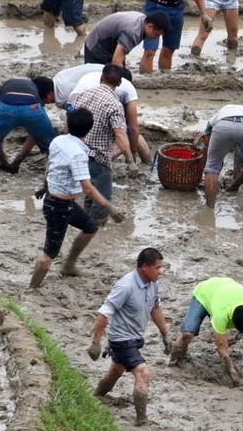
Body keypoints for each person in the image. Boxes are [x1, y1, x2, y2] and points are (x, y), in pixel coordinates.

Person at [29, 108, 126, 288]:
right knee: (49, 254)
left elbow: (50, 166)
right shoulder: (78, 154)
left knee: (90, 227)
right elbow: (88, 188)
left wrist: (44, 187)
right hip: (59, 206)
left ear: (67, 125)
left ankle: (69, 265)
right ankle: (32, 288)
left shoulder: (58, 141)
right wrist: (110, 207)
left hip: (60, 201)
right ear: (89, 130)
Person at [88, 248, 171, 426]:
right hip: (121, 339)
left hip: (135, 337)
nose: (161, 271)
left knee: (115, 372)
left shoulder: (153, 283)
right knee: (142, 373)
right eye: (157, 268)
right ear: (144, 267)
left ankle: (95, 397)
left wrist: (165, 334)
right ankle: (141, 419)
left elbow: (155, 308)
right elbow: (104, 314)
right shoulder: (125, 286)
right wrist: (96, 343)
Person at [66, 65, 136, 226]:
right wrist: (130, 161)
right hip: (98, 158)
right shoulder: (114, 104)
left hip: (78, 152)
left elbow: (69, 121)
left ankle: (85, 223)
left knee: (90, 192)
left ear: (101, 78)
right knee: (102, 199)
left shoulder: (82, 95)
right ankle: (96, 228)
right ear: (118, 84)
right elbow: (120, 134)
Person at [170, 277, 243, 387]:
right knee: (187, 334)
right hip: (205, 292)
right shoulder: (221, 315)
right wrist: (233, 375)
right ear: (232, 323)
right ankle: (175, 360)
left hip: (227, 287)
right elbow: (222, 348)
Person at [57, 63, 152, 163]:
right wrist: (132, 155)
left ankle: (76, 157)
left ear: (102, 76)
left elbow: (71, 113)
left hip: (76, 105)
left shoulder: (89, 76)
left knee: (83, 135)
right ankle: (147, 162)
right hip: (98, 104)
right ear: (120, 82)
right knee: (125, 134)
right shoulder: (128, 89)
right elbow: (133, 129)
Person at [0, 76, 57, 175]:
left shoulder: (8, 84)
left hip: (5, 106)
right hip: (33, 109)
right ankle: (51, 184)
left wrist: (3, 161)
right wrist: (18, 160)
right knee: (52, 147)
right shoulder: (34, 94)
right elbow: (35, 135)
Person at [200, 104, 243, 211]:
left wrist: (203, 166)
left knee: (212, 168)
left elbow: (207, 144)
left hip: (224, 125)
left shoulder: (217, 116)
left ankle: (209, 210)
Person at [82, 10, 169, 65]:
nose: (157, 38)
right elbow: (116, 62)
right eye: (157, 35)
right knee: (101, 80)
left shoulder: (142, 19)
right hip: (96, 46)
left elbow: (121, 52)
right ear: (150, 26)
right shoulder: (134, 32)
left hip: (107, 43)